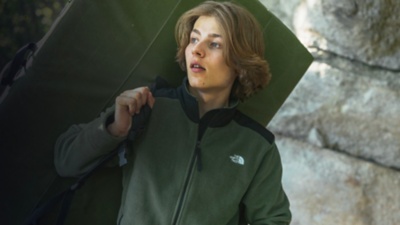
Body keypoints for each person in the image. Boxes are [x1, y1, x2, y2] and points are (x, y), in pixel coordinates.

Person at [54, 1, 291, 224]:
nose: (196, 50)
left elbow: (274, 219)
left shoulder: (258, 147)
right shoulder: (148, 106)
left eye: (214, 44)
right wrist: (114, 129)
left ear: (241, 62)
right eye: (194, 39)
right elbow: (66, 162)